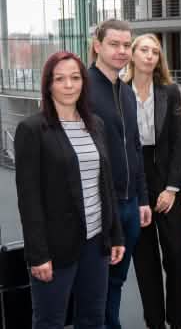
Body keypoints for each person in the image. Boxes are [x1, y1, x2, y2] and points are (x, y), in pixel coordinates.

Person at [15, 51, 125, 328]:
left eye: (75, 78)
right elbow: (29, 200)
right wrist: (38, 255)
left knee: (92, 318)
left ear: (83, 82)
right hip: (56, 246)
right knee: (49, 321)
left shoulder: (95, 124)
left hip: (96, 242)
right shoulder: (32, 129)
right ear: (48, 84)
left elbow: (106, 185)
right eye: (60, 79)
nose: (68, 85)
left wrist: (116, 235)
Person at [124, 33, 181, 329]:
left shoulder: (170, 91)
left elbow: (180, 142)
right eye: (144, 50)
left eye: (155, 51)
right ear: (133, 54)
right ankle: (154, 321)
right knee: (145, 258)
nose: (150, 56)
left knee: (175, 253)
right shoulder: (119, 90)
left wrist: (172, 188)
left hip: (166, 179)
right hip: (134, 179)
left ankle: (177, 318)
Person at [88, 18, 152, 329]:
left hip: (129, 206)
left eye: (127, 45)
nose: (122, 51)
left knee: (116, 281)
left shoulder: (126, 92)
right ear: (97, 46)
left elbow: (135, 148)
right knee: (94, 283)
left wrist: (142, 199)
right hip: (98, 207)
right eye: (114, 44)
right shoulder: (82, 88)